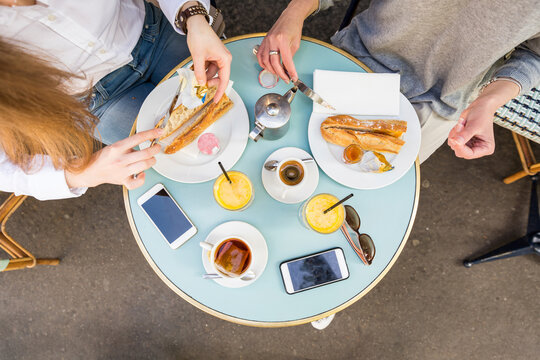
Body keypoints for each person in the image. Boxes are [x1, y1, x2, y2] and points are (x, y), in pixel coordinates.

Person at [0, 0, 231, 200]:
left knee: (233, 106)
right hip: (97, 102)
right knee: (188, 165)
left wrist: (191, 13)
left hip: (153, 32)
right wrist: (82, 174)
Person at [257, 0, 540, 163]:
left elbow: (535, 54)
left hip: (438, 107)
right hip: (353, 57)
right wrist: (292, 13)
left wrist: (490, 101)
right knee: (270, 156)